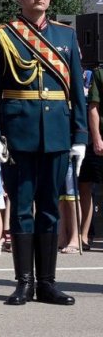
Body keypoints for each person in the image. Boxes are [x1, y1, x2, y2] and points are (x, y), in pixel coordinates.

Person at [0, 0, 87, 306]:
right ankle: (24, 282)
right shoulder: (2, 35)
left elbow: (77, 91)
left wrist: (80, 136)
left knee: (49, 209)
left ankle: (47, 283)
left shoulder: (65, 35)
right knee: (22, 210)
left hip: (57, 134)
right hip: (18, 133)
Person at [81, 64, 103, 250]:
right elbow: (94, 107)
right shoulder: (100, 74)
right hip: (100, 140)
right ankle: (85, 234)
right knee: (87, 184)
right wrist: (96, 137)